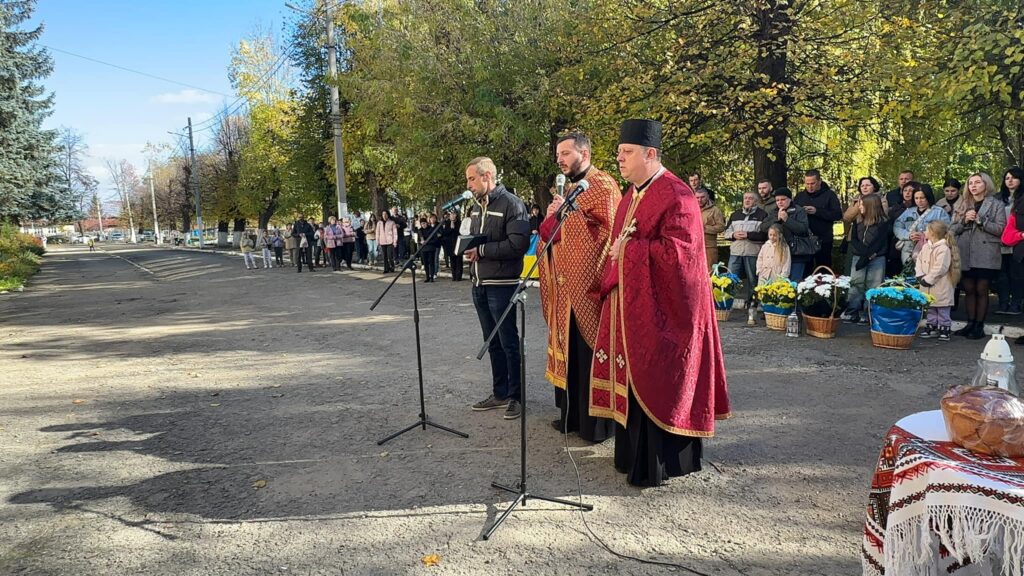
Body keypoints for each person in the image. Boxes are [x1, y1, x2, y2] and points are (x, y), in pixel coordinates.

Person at [590, 119, 730, 487]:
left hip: (667, 312)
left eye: (627, 152)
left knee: (658, 375)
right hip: (631, 307)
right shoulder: (630, 195)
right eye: (619, 152)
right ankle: (631, 455)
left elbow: (681, 258)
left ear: (651, 154)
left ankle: (664, 462)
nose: (619, 158)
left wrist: (631, 251)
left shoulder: (677, 195)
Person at [537, 131, 619, 443]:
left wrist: (565, 218)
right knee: (569, 353)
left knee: (587, 354)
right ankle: (570, 416)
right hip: (564, 286)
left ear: (584, 154)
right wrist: (553, 217)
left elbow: (609, 231)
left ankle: (594, 425)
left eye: (566, 153)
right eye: (558, 154)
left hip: (588, 286)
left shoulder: (604, 185)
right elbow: (551, 233)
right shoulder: (570, 189)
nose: (560, 159)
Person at [464, 156, 530, 421]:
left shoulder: (513, 204)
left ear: (487, 176)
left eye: (471, 178)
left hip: (502, 285)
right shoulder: (476, 207)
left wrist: (481, 249)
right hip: (479, 283)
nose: (468, 184)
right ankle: (500, 393)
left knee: (508, 342)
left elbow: (518, 245)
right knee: (492, 342)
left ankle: (517, 396)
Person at [951, 172, 1006, 339]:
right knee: (968, 289)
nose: (973, 186)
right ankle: (970, 323)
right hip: (966, 251)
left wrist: (982, 221)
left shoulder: (996, 204)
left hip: (986, 252)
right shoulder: (962, 204)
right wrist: (964, 221)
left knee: (982, 289)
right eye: (970, 183)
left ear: (986, 185)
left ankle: (979, 326)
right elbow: (952, 230)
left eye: (977, 182)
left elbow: (1000, 230)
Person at [842, 195, 889, 324]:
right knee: (856, 284)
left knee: (873, 284)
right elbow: (854, 239)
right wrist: (864, 254)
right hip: (859, 256)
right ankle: (852, 311)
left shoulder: (883, 222)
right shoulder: (857, 220)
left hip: (876, 257)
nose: (859, 207)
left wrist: (870, 254)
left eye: (862, 204)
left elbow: (880, 241)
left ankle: (869, 312)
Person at [917, 220, 959, 342]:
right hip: (926, 282)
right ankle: (931, 325)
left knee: (942, 307)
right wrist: (920, 275)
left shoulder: (944, 248)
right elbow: (919, 261)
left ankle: (944, 328)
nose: (924, 232)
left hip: (940, 284)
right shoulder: (925, 246)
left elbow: (940, 267)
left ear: (933, 233)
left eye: (926, 230)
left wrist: (929, 279)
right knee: (930, 307)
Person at [724, 191, 768, 305]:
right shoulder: (735, 214)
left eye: (750, 198)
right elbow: (726, 232)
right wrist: (733, 235)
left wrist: (748, 235)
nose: (747, 200)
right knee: (730, 279)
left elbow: (765, 235)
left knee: (753, 280)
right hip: (736, 252)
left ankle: (752, 304)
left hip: (753, 252)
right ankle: (727, 303)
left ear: (756, 201)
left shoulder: (762, 215)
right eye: (745, 198)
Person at [760, 187, 813, 281]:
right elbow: (763, 228)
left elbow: (803, 230)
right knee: (778, 283)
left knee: (793, 283)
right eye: (777, 200)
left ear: (789, 199)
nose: (780, 202)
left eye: (783, 199)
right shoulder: (773, 212)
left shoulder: (799, 210)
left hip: (796, 254)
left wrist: (787, 220)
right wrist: (777, 219)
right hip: (778, 254)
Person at [794, 169, 842, 270]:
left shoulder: (830, 195)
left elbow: (837, 215)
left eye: (812, 183)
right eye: (807, 184)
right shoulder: (800, 196)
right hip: (804, 239)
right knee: (806, 270)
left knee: (824, 268)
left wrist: (817, 211)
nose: (810, 186)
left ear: (819, 181)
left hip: (823, 238)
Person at [893, 184, 949, 266]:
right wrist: (908, 235)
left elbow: (947, 230)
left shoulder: (939, 212)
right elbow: (897, 226)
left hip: (931, 249)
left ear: (928, 197)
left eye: (922, 198)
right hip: (909, 250)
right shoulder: (908, 212)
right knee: (909, 274)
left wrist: (927, 235)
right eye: (916, 198)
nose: (919, 201)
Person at [996, 167, 1024, 315]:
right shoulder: (998, 198)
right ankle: (1003, 303)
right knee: (1002, 275)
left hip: (1018, 242)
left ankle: (1016, 304)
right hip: (999, 242)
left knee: (1017, 274)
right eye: (1007, 178)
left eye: (1014, 178)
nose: (1010, 181)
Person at [697, 187, 726, 266]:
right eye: (697, 197)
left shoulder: (715, 210)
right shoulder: (692, 209)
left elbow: (721, 227)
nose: (699, 200)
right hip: (695, 246)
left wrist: (704, 228)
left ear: (707, 197)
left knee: (710, 273)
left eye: (702, 197)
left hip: (709, 247)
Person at [441, 211, 464, 281]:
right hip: (450, 244)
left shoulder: (459, 222)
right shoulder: (447, 223)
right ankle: (454, 276)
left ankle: (458, 276)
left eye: (454, 214)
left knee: (459, 260)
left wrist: (454, 228)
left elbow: (461, 232)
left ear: (456, 215)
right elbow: (445, 233)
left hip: (458, 243)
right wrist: (451, 228)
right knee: (452, 260)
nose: (452, 216)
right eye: (451, 215)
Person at [418, 217, 440, 281]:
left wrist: (427, 242)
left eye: (424, 223)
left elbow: (435, 239)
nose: (423, 225)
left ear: (426, 223)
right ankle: (427, 276)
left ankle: (432, 276)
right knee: (425, 263)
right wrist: (421, 242)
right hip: (424, 249)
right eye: (422, 224)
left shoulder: (431, 229)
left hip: (431, 248)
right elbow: (418, 239)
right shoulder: (420, 230)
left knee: (431, 262)